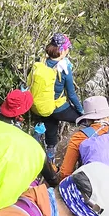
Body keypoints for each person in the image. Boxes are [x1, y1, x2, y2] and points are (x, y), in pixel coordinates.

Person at [30, 34, 84, 164]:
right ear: (63, 50)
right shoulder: (64, 69)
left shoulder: (41, 63)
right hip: (59, 108)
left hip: (42, 107)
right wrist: (82, 112)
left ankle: (50, 160)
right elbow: (71, 95)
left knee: (51, 130)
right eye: (67, 48)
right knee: (83, 121)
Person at [0, 89, 58, 186]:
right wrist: (36, 136)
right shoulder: (19, 137)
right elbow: (33, 151)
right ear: (19, 116)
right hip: (12, 181)